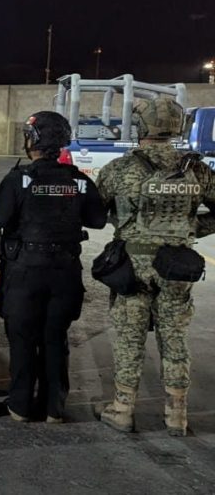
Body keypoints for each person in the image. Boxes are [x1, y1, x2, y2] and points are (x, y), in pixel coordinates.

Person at [95, 97, 215, 436]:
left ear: (142, 126)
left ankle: (122, 410)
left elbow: (96, 212)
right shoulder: (196, 169)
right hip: (177, 265)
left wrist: (126, 223)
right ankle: (177, 415)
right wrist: (191, 228)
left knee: (129, 337)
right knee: (175, 336)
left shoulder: (121, 168)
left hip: (132, 265)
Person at [0, 112, 106, 423]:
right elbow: (97, 220)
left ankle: (20, 406)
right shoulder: (78, 180)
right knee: (55, 338)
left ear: (34, 140)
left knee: (23, 338)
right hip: (65, 272)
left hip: (25, 272)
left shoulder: (19, 179)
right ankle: (54, 407)